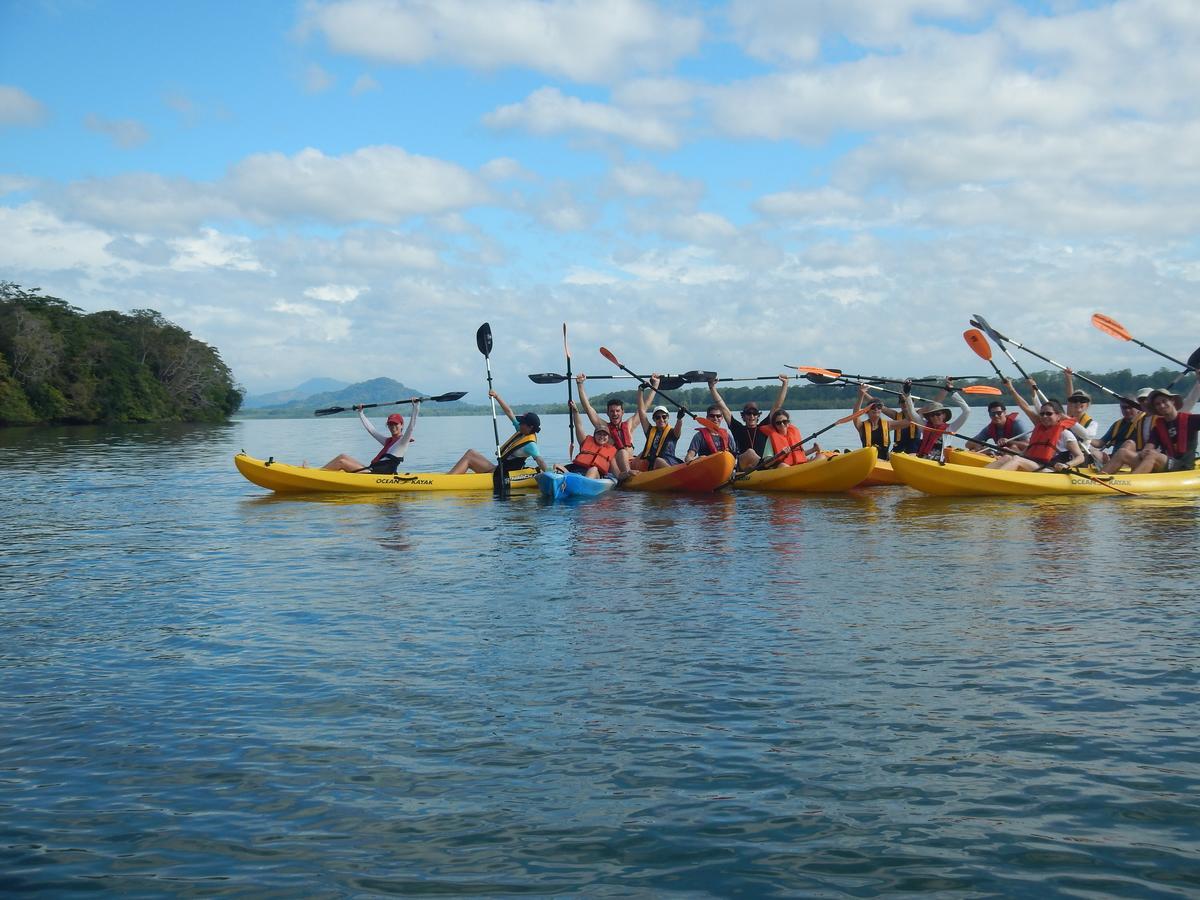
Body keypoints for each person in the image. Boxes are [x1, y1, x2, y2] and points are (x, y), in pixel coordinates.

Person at [447, 390, 551, 475]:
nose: (519, 423)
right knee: (471, 452)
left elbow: (540, 460)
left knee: (470, 456)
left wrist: (550, 474)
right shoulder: (521, 431)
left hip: (503, 475)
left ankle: (447, 480)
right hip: (498, 470)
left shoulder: (530, 444)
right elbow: (509, 411)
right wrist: (496, 396)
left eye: (522, 422)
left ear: (530, 427)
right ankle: (449, 476)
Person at [708, 374, 789, 469]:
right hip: (744, 465)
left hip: (764, 465)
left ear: (758, 416)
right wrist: (712, 387)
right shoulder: (738, 428)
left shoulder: (764, 427)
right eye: (748, 413)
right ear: (743, 416)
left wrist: (785, 384)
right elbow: (723, 407)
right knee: (750, 452)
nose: (751, 416)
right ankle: (765, 465)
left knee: (783, 465)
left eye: (754, 413)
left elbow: (777, 406)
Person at [984, 398, 1085, 472]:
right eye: (1042, 414)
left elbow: (1080, 457)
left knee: (1017, 460)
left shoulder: (1065, 434)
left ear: (1058, 416)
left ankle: (993, 479)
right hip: (1035, 465)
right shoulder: (1039, 431)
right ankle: (982, 475)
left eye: (1049, 414)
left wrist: (1067, 465)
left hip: (1050, 470)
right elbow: (1027, 452)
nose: (1045, 416)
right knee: (1008, 457)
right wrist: (1010, 452)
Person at [320, 402, 419, 473]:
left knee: (341, 462)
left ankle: (319, 475)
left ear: (401, 425)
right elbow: (372, 431)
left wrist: (416, 407)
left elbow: (411, 427)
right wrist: (361, 413)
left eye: (395, 424)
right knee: (342, 456)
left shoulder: (403, 441)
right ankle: (319, 472)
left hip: (376, 476)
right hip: (371, 470)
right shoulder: (388, 441)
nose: (393, 427)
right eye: (390, 424)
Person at [1126, 387, 1200, 473]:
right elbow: (1149, 447)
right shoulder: (1158, 427)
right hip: (1167, 464)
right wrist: (1143, 453)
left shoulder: (1191, 420)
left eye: (1164, 401)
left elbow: (1192, 398)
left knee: (1152, 454)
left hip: (1184, 466)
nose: (1162, 405)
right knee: (1123, 452)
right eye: (1157, 404)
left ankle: (1131, 482)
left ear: (1172, 401)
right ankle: (1106, 479)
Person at [576, 376, 638, 472]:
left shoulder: (629, 425)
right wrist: (580, 384)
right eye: (612, 411)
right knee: (622, 452)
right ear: (607, 413)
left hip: (632, 462)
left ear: (622, 412)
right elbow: (588, 408)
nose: (615, 414)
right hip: (615, 467)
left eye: (617, 411)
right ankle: (627, 475)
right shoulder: (604, 428)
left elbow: (643, 409)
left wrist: (654, 386)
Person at [898, 380, 970, 461]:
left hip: (940, 463)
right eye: (932, 415)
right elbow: (912, 412)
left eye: (938, 414)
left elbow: (967, 411)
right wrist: (907, 394)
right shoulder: (925, 426)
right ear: (929, 417)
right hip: (924, 460)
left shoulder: (951, 428)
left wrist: (953, 393)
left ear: (944, 415)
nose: (935, 417)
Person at [628, 375, 685, 472]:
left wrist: (679, 418)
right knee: (653, 460)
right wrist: (640, 390)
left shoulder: (672, 433)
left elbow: (678, 428)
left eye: (664, 417)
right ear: (654, 419)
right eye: (657, 417)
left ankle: (677, 474)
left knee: (659, 461)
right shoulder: (650, 430)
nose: (661, 419)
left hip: (669, 462)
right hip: (652, 465)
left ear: (667, 418)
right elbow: (641, 412)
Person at [554, 400, 618, 480]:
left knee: (593, 469)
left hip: (593, 476)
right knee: (556, 466)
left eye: (604, 435)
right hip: (575, 472)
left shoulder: (610, 453)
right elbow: (578, 426)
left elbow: (618, 474)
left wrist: (627, 473)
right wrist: (575, 411)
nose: (602, 437)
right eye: (599, 434)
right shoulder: (585, 442)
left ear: (608, 438)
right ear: (594, 435)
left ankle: (582, 484)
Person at [853, 385, 902, 460]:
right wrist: (861, 396)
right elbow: (855, 415)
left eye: (879, 407)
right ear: (867, 411)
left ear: (881, 410)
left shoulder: (888, 424)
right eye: (872, 407)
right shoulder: (861, 426)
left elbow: (909, 421)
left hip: (884, 462)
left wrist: (907, 399)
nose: (876, 409)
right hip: (868, 461)